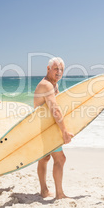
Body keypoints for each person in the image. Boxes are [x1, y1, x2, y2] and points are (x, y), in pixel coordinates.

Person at [33, 57, 74, 199]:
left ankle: (44, 191)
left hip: (43, 128)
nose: (59, 72)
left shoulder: (52, 84)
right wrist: (64, 131)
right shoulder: (47, 85)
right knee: (60, 159)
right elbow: (55, 110)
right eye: (56, 69)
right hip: (47, 129)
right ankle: (60, 194)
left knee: (44, 158)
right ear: (48, 69)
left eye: (61, 69)